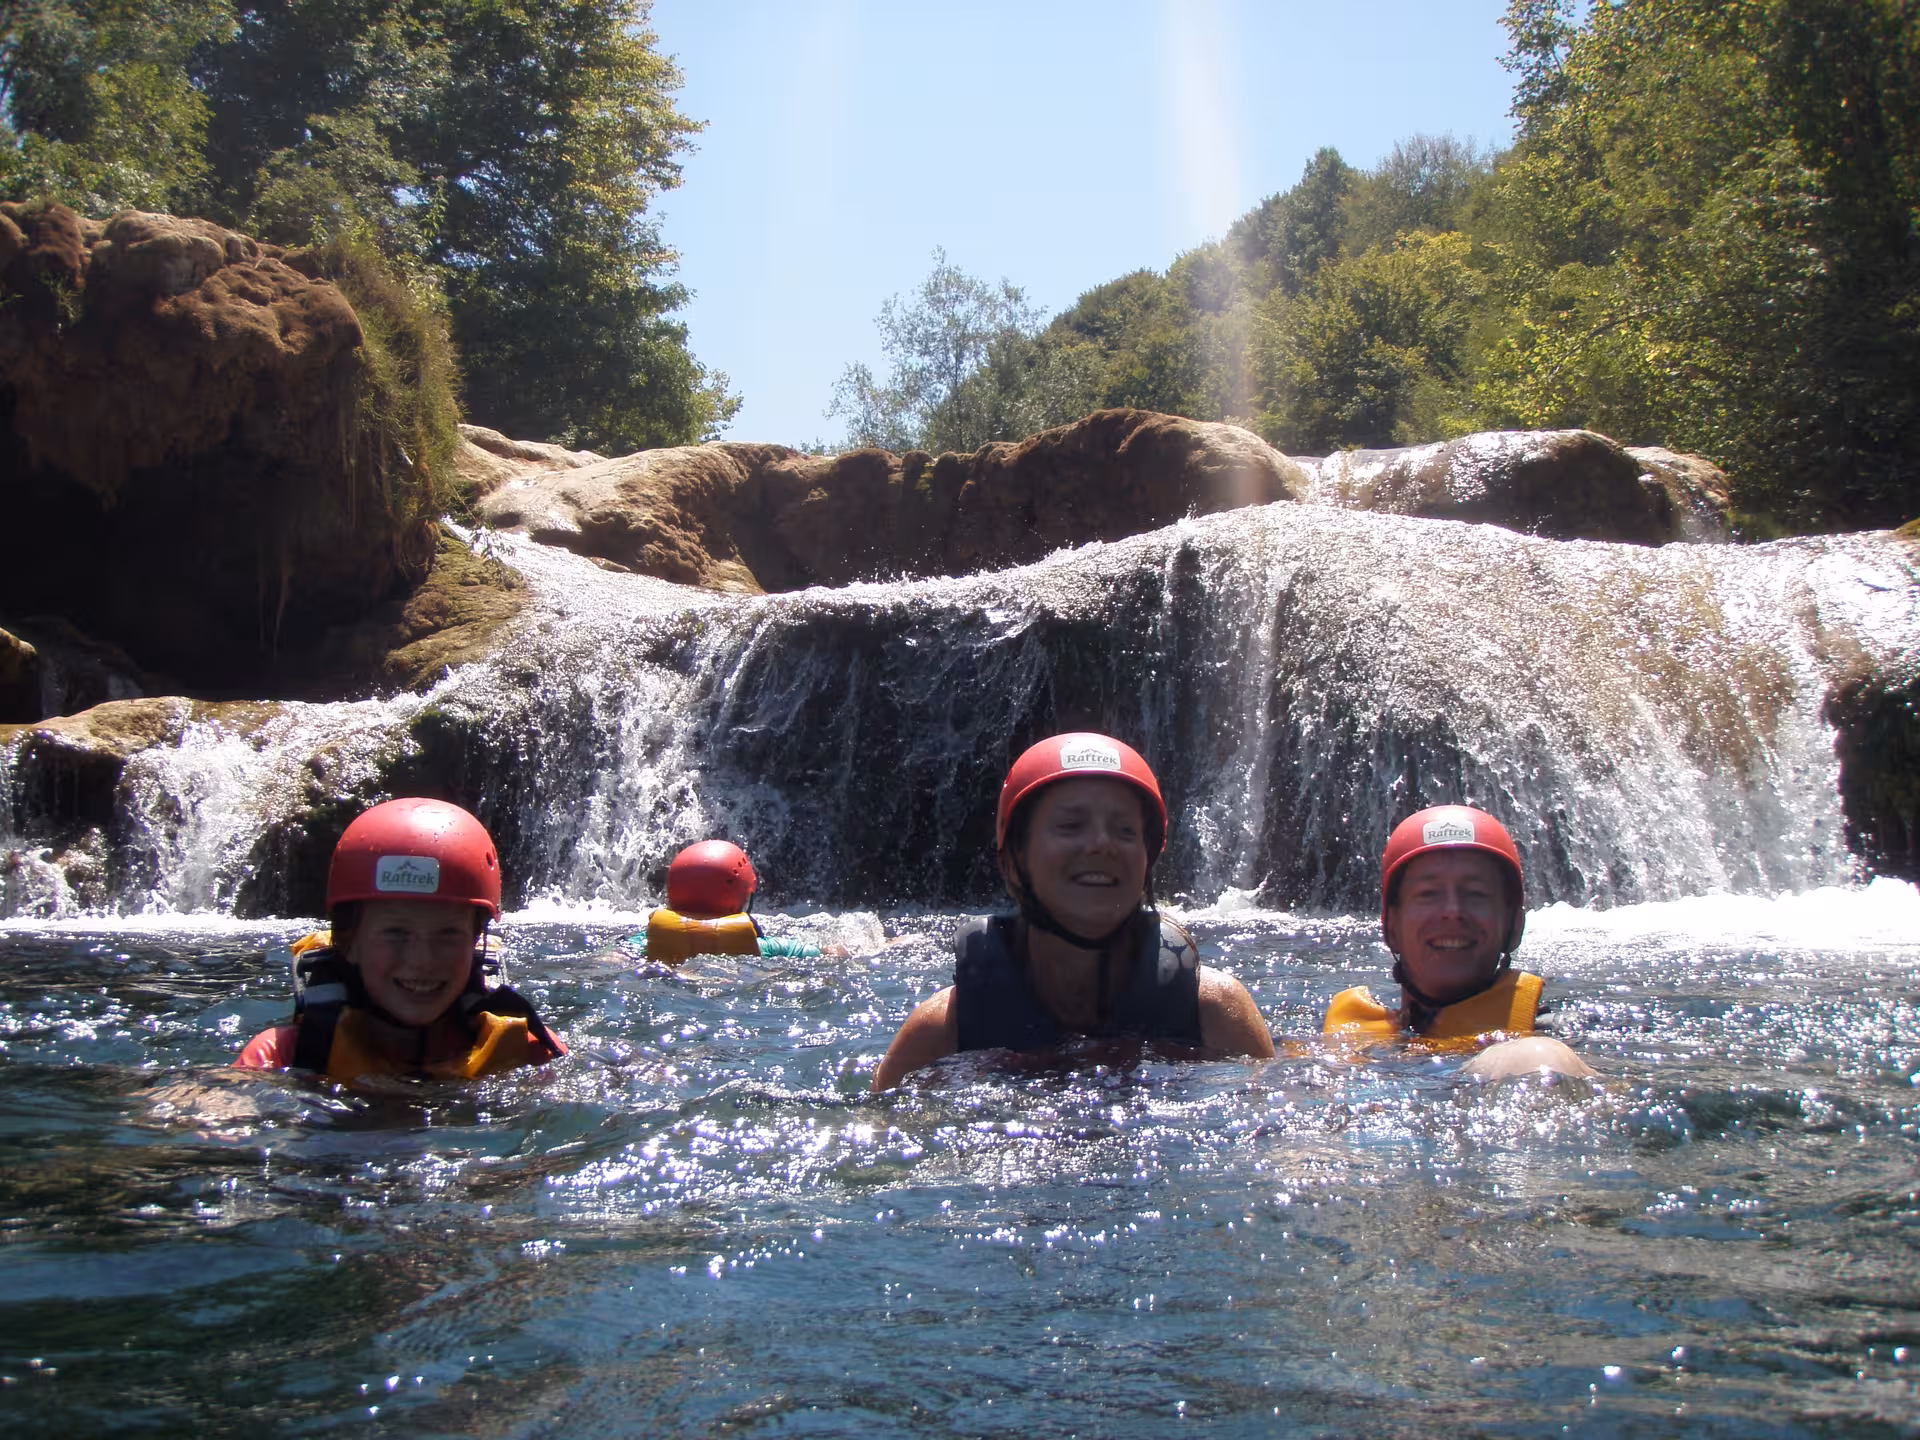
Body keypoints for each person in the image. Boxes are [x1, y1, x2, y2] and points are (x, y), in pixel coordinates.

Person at [872, 733, 1275, 1091]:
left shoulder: (1216, 1012)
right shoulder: (939, 1033)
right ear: (1013, 861)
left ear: (1148, 861)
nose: (1102, 844)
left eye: (1125, 831)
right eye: (1070, 826)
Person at [235, 798, 566, 1081]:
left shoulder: (531, 1051)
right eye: (396, 933)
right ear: (350, 941)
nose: (422, 960)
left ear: (476, 941)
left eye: (448, 934)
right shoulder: (283, 1056)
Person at [1324, 803, 1593, 1079]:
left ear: (1514, 926)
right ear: (1391, 928)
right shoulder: (1345, 1045)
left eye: (1476, 894)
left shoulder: (1556, 1039)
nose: (1452, 911)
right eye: (1428, 893)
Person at [624, 840, 839, 963]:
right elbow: (831, 954)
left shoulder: (647, 941)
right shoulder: (764, 947)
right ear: (744, 892)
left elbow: (613, 958)